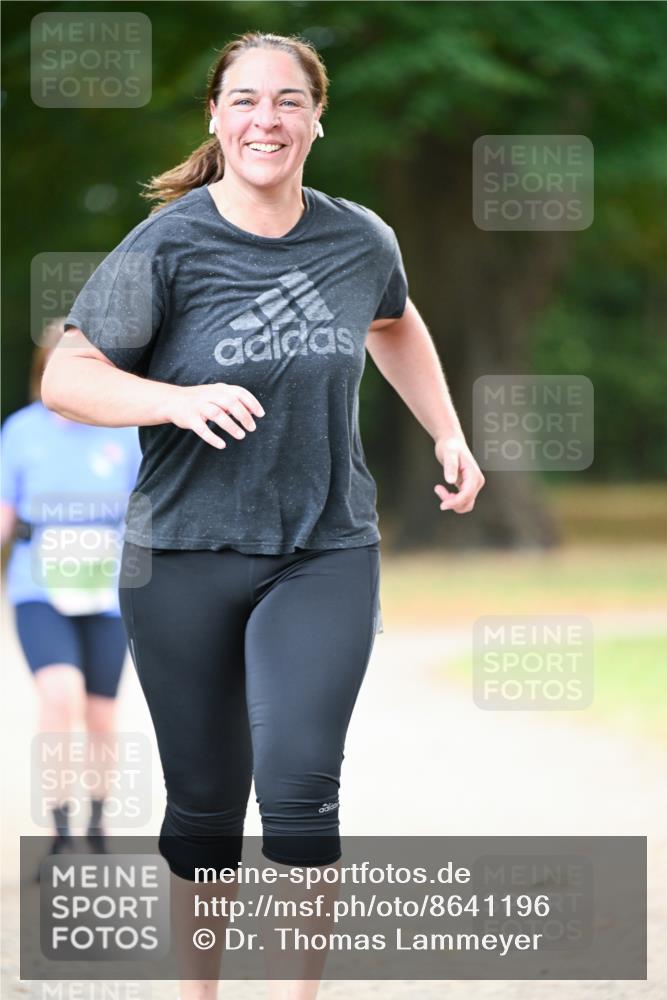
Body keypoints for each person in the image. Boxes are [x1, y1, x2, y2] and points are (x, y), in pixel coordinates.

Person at [41, 29, 485, 1000]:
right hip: (182, 554)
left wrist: (448, 432)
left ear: (317, 118)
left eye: (287, 101)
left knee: (298, 795)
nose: (265, 119)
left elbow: (394, 321)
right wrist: (172, 400)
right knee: (205, 811)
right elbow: (68, 375)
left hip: (323, 548)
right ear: (214, 115)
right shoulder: (166, 244)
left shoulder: (358, 238)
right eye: (244, 100)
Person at [1, 317, 141, 862]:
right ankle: (59, 827)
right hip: (39, 585)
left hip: (107, 590)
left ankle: (98, 821)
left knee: (101, 713)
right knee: (58, 696)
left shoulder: (126, 432)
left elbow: (147, 511)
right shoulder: (21, 431)